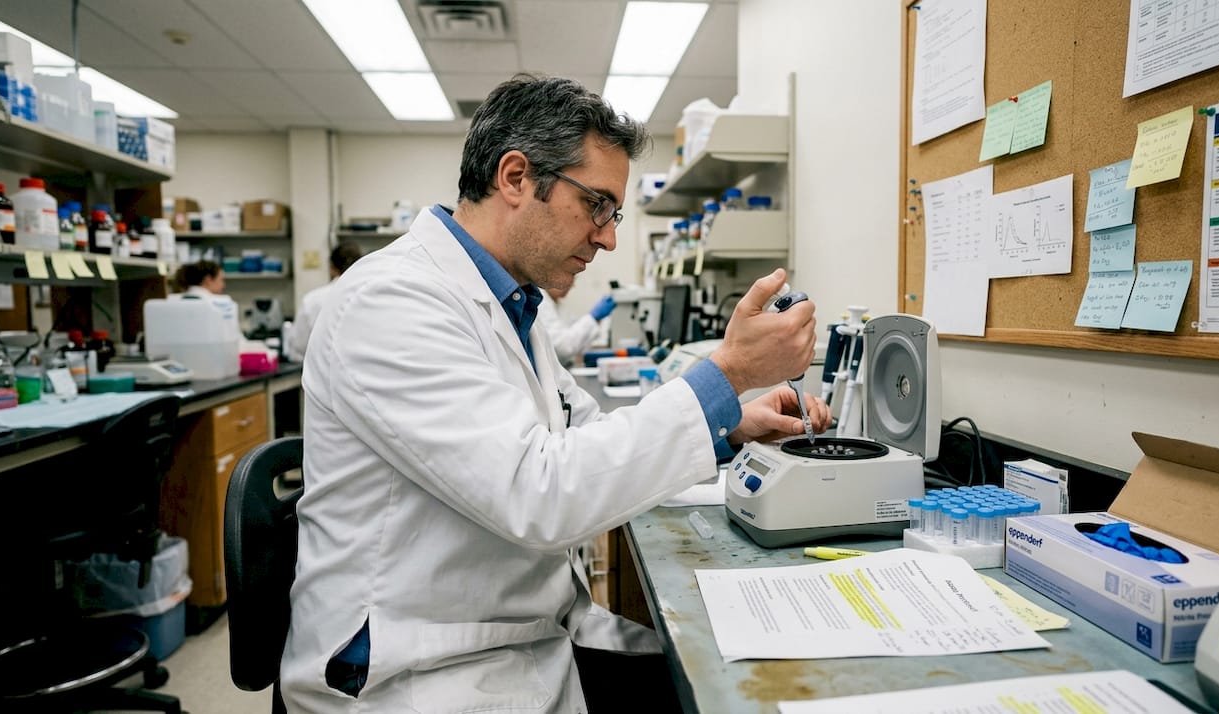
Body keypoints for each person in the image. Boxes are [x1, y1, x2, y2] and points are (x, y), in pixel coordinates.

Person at [284, 73, 828, 713]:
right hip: (418, 673)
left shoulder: (511, 303)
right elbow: (539, 493)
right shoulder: (391, 302)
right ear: (515, 178)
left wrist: (730, 422)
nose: (608, 236)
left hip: (514, 637)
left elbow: (583, 438)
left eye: (614, 213)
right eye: (597, 204)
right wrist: (727, 374)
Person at [288, 241, 364, 362]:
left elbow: (299, 346)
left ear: (332, 268)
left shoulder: (313, 300)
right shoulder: (369, 297)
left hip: (320, 375)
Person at [538, 283, 615, 366]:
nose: (572, 285)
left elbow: (575, 340)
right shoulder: (541, 304)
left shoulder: (557, 305)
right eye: (570, 274)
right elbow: (562, 348)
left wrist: (595, 320)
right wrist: (592, 318)